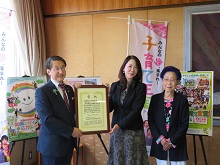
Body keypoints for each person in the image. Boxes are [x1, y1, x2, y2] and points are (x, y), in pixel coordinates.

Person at [35, 55, 83, 165]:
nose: (61, 71)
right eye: (56, 68)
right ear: (48, 71)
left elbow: (74, 112)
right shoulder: (42, 92)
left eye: (63, 68)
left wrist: (81, 93)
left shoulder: (69, 89)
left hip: (68, 144)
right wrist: (71, 131)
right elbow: (47, 120)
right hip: (53, 146)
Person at [107, 55, 149, 165]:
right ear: (123, 68)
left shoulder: (141, 87)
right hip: (117, 132)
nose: (132, 69)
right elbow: (110, 107)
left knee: (133, 161)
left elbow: (136, 110)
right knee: (117, 160)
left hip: (133, 132)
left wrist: (120, 125)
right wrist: (103, 96)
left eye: (136, 67)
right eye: (130, 66)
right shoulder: (115, 86)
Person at [148, 66, 189, 165]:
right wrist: (161, 139)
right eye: (166, 79)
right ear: (162, 80)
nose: (169, 83)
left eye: (172, 80)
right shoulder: (155, 99)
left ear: (177, 82)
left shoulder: (182, 100)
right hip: (160, 144)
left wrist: (171, 141)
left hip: (177, 144)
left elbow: (184, 124)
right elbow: (151, 121)